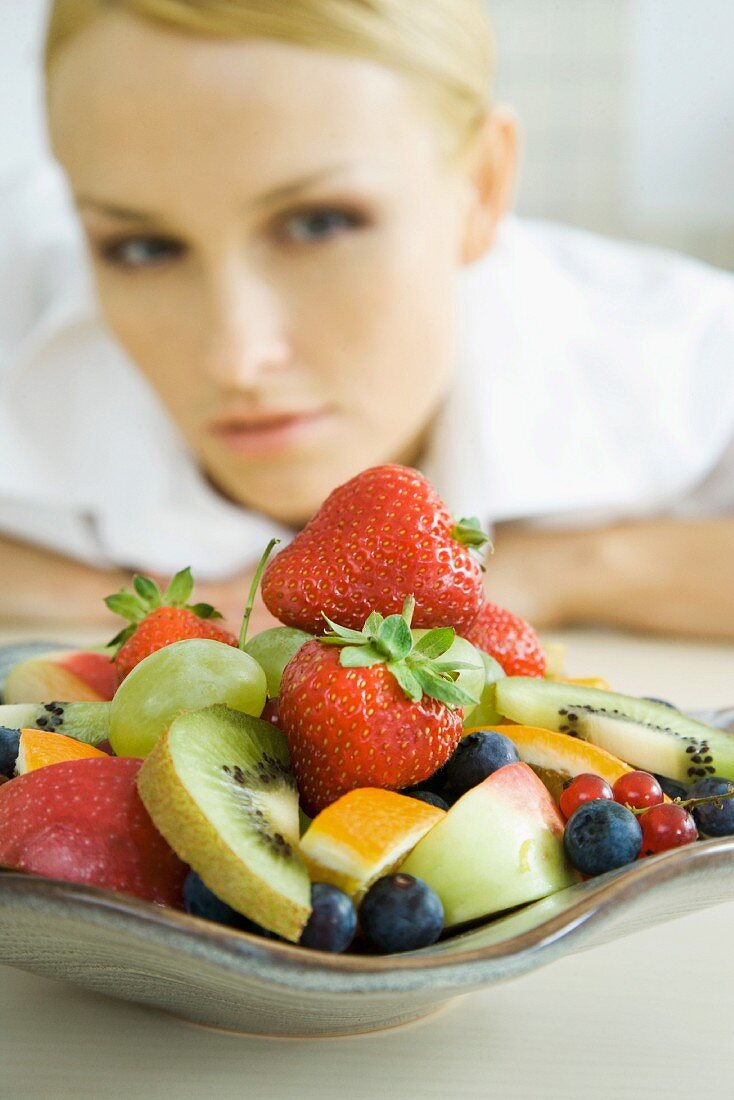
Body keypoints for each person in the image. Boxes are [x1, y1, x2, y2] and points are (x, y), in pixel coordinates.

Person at [1, 0, 733, 639]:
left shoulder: (682, 358)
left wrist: (575, 568)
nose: (236, 356)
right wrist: (116, 600)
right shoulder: (26, 317)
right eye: (143, 246)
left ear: (481, 187)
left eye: (319, 224)